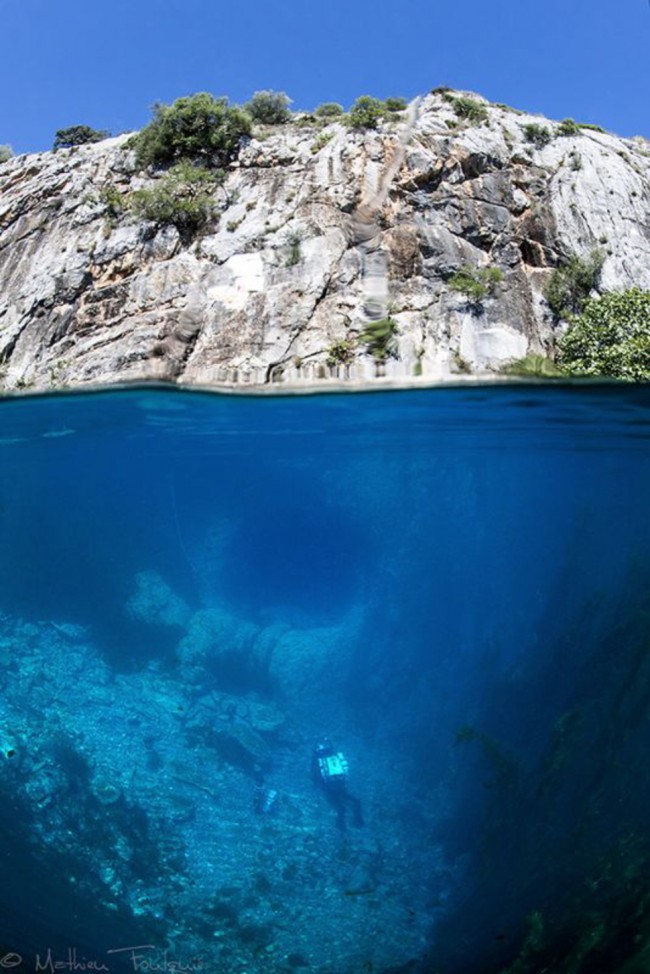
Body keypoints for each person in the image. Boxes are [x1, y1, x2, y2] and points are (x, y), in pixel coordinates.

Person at [312, 740, 364, 831]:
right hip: (341, 783)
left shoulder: (319, 760)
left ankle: (341, 822)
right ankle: (357, 818)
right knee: (350, 798)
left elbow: (316, 775)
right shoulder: (336, 756)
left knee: (339, 806)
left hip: (330, 786)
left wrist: (318, 786)